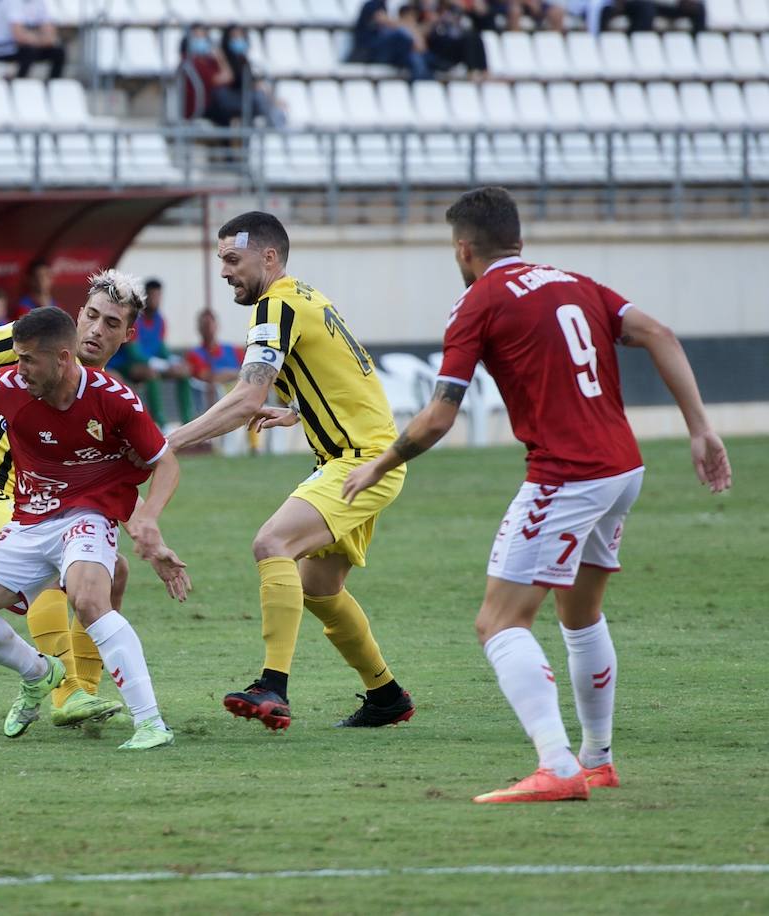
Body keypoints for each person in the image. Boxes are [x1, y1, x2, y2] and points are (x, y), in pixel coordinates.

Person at [342, 187, 732, 803]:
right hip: (622, 468)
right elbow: (658, 331)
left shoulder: (478, 301)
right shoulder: (578, 283)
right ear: (516, 239)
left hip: (568, 474)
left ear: (463, 248)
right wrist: (701, 429)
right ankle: (597, 759)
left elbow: (440, 417)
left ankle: (558, 766)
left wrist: (379, 464)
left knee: (498, 622)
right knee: (580, 615)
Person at [166, 211, 416, 731]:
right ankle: (387, 696)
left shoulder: (275, 304)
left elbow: (244, 399)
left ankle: (272, 687)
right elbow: (342, 368)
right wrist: (299, 408)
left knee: (270, 543)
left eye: (233, 260)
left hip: (359, 461)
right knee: (319, 589)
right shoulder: (305, 296)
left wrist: (169, 442)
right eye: (222, 262)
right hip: (362, 457)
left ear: (269, 257)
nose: (225, 272)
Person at [0, 270, 184, 730]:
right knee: (56, 570)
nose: (96, 330)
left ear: (127, 334)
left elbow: (98, 480)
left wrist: (149, 534)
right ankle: (65, 689)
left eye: (111, 324)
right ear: (77, 316)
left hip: (45, 500)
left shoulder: (101, 391)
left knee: (113, 571)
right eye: (91, 316)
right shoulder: (34, 344)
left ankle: (85, 693)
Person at [107, 278, 192, 429]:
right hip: (125, 365)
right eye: (152, 296)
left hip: (152, 365)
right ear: (145, 296)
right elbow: (134, 353)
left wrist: (173, 361)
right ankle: (161, 423)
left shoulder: (161, 320)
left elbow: (161, 349)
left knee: (183, 371)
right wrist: (162, 365)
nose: (155, 300)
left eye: (158, 296)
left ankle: (188, 421)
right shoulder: (135, 318)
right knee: (151, 373)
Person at [0, 0, 66, 80]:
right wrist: (41, 39)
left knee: (58, 52)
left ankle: (52, 86)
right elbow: (19, 36)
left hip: (19, 46)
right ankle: (19, 84)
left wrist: (35, 39)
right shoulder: (11, 2)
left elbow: (50, 36)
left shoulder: (40, 3)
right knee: (28, 51)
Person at [350, 0, 432, 82]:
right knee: (401, 37)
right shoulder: (373, 5)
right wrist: (411, 31)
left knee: (415, 57)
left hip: (386, 52)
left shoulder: (387, 7)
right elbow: (384, 20)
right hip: (368, 52)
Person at [185, 307, 244, 412]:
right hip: (214, 403)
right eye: (204, 325)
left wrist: (226, 375)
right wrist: (235, 374)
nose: (207, 328)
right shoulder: (194, 354)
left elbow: (249, 371)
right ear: (199, 328)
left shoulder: (234, 350)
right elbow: (208, 377)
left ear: (217, 325)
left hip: (241, 398)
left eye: (210, 324)